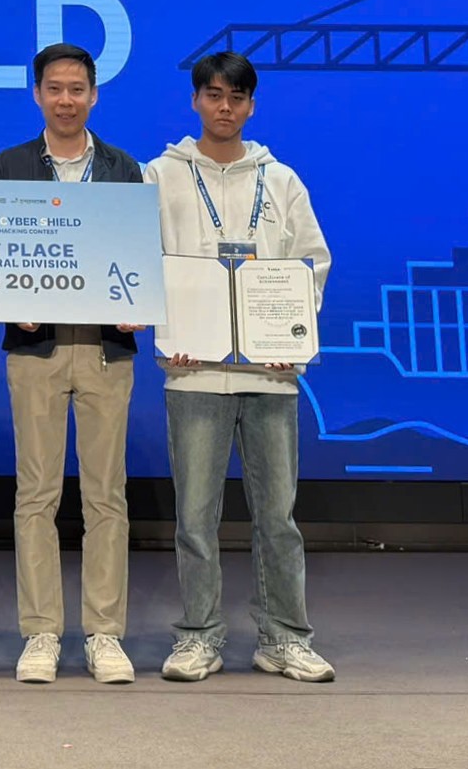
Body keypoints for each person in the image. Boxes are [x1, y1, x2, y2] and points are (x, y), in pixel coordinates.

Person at [144, 51, 335, 683]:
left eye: (237, 97)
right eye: (214, 95)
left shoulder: (281, 180)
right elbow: (140, 262)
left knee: (277, 518)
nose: (224, 107)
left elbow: (313, 263)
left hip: (270, 375)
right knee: (195, 518)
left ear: (251, 106)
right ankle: (198, 636)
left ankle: (284, 637)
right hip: (192, 370)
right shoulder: (159, 177)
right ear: (195, 100)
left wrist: (293, 335)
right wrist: (163, 329)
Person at [0, 43, 146, 685]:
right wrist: (9, 300)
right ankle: (42, 632)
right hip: (37, 349)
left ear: (94, 95)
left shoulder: (123, 169)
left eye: (77, 89)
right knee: (36, 495)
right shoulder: (9, 167)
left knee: (107, 495)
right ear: (37, 95)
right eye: (54, 88)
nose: (66, 100)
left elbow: (140, 254)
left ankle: (105, 633)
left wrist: (139, 302)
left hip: (107, 349)